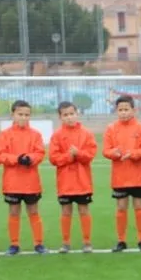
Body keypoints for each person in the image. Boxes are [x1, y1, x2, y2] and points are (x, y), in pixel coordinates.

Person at [0, 100, 47, 255]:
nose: (23, 117)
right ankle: (14, 244)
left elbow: (40, 153)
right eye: (20, 114)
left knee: (33, 212)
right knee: (13, 212)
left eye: (27, 115)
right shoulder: (5, 134)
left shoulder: (35, 134)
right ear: (13, 114)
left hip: (31, 182)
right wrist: (17, 159)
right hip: (12, 182)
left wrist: (30, 158)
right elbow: (0, 154)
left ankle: (39, 243)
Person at [104, 95, 141, 252]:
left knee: (139, 206)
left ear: (134, 110)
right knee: (121, 207)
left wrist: (132, 154)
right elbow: (105, 150)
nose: (123, 113)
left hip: (138, 175)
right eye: (120, 110)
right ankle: (121, 240)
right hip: (120, 176)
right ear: (116, 111)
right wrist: (114, 153)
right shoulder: (111, 128)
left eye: (126, 109)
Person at [49, 101, 97, 254]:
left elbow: (90, 155)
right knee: (65, 212)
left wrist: (79, 154)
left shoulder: (86, 133)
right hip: (65, 182)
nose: (69, 117)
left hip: (83, 181)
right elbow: (53, 158)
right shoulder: (57, 135)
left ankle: (87, 241)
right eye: (65, 115)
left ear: (77, 114)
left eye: (71, 114)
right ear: (60, 117)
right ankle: (65, 242)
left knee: (84, 210)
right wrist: (69, 156)